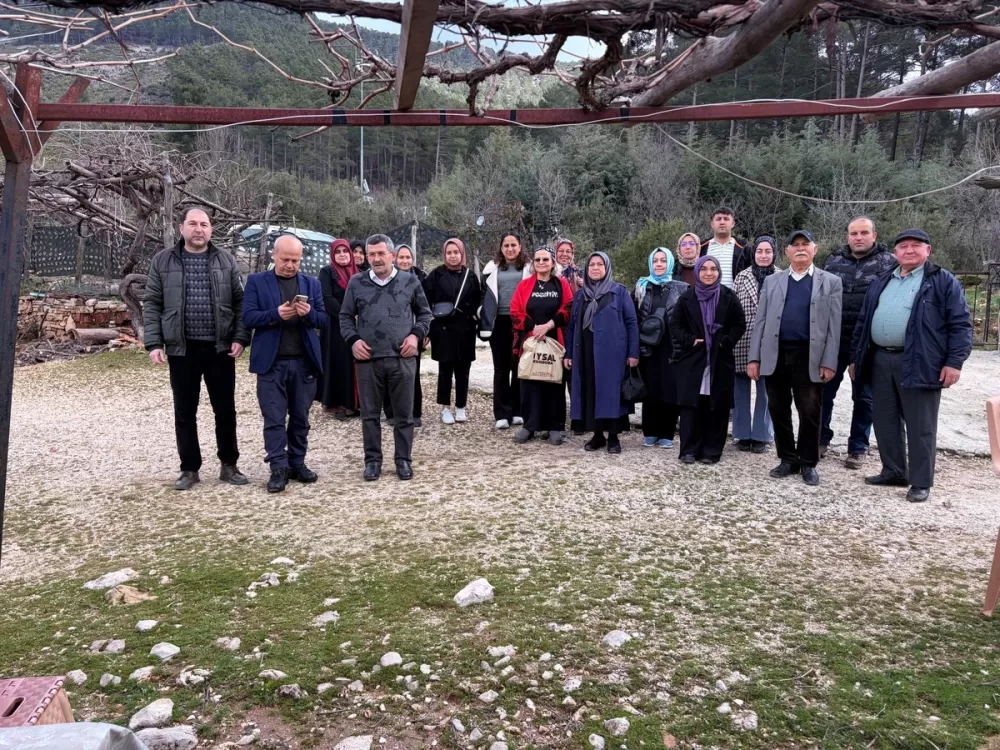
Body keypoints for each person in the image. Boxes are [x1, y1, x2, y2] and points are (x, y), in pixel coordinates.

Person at [851, 229, 973, 503]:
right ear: (895, 253)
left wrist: (954, 362)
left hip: (920, 361)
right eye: (903, 246)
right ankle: (894, 471)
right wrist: (855, 358)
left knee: (921, 424)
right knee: (885, 419)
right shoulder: (882, 281)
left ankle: (920, 481)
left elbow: (961, 325)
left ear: (928, 250)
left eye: (915, 246)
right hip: (880, 359)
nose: (908, 250)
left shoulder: (942, 282)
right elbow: (863, 321)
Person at [144, 207, 251, 491]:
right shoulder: (162, 261)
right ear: (182, 228)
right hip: (182, 349)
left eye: (204, 224)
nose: (198, 229)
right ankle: (189, 469)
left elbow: (241, 303)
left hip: (220, 348)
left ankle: (229, 465)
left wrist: (240, 337)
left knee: (225, 410)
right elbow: (152, 303)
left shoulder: (226, 261)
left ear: (211, 230)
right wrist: (154, 343)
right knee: (184, 411)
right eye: (193, 223)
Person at [748, 231, 842, 486]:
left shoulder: (831, 282)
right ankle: (787, 458)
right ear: (787, 252)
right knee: (778, 408)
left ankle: (808, 462)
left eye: (805, 245)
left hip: (809, 356)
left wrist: (829, 361)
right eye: (795, 245)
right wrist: (754, 358)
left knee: (809, 410)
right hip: (775, 354)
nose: (800, 249)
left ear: (815, 248)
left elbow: (835, 326)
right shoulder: (772, 282)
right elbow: (761, 321)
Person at [340, 234, 432, 481]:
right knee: (370, 415)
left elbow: (425, 314)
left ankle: (403, 459)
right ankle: (372, 461)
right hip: (368, 359)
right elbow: (345, 317)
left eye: (381, 253)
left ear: (392, 255)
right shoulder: (356, 283)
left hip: (402, 358)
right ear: (366, 257)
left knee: (404, 414)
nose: (377, 259)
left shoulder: (410, 281)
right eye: (372, 254)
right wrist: (354, 341)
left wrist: (415, 336)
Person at [242, 235, 327, 493]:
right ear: (273, 256)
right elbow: (247, 317)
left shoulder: (311, 284)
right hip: (272, 363)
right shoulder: (257, 282)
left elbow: (324, 320)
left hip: (304, 363)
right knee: (274, 418)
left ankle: (297, 463)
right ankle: (278, 467)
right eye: (285, 259)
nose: (290, 265)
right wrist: (274, 315)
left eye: (296, 260)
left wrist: (308, 314)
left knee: (301, 418)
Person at [820, 216, 897, 468]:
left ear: (874, 235)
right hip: (834, 339)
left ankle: (858, 446)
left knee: (864, 397)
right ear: (847, 236)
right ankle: (820, 439)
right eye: (854, 233)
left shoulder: (889, 264)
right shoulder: (833, 262)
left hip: (867, 342)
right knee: (823, 393)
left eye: (864, 233)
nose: (859, 237)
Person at [669, 256, 746, 464]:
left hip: (720, 360)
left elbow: (740, 323)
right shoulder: (687, 297)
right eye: (704, 269)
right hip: (693, 359)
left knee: (717, 406)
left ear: (719, 272)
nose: (709, 273)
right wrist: (691, 340)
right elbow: (675, 325)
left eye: (713, 269)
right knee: (691, 406)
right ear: (697, 272)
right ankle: (688, 450)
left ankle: (711, 451)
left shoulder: (729, 296)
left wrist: (725, 341)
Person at [566, 252, 639, 454]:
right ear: (586, 269)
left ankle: (613, 437)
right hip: (586, 352)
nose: (595, 268)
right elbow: (572, 326)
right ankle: (597, 435)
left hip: (613, 354)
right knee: (591, 392)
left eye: (600, 264)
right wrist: (569, 354)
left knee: (611, 394)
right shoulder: (580, 296)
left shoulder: (619, 292)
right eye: (591, 265)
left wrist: (633, 353)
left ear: (607, 268)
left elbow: (632, 323)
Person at [510, 246, 574, 445]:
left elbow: (568, 308)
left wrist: (548, 325)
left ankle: (555, 426)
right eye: (537, 260)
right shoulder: (525, 285)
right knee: (530, 382)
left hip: (554, 340)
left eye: (545, 259)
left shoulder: (561, 284)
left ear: (552, 262)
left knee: (554, 382)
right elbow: (515, 311)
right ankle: (530, 425)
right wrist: (534, 327)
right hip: (531, 340)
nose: (541, 263)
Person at [634, 247, 688, 448]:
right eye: (655, 261)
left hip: (671, 347)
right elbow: (634, 316)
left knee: (670, 390)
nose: (658, 264)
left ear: (670, 264)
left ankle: (667, 433)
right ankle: (650, 431)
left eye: (662, 261)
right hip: (649, 348)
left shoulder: (681, 288)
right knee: (651, 389)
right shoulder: (641, 287)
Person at [479, 233, 533, 430]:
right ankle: (501, 413)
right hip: (499, 322)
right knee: (501, 368)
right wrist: (482, 315)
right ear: (501, 248)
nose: (510, 249)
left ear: (520, 247)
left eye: (513, 245)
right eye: (506, 245)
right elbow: (483, 295)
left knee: (519, 366)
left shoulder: (530, 268)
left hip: (521, 322)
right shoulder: (490, 268)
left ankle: (518, 411)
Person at [423, 238, 479, 425]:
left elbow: (478, 301)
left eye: (456, 252)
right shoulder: (436, 275)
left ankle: (461, 406)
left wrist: (474, 318)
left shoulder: (470, 276)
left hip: (465, 329)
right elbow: (424, 300)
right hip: (443, 329)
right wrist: (429, 328)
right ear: (444, 254)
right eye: (449, 253)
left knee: (463, 370)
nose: (453, 256)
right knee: (445, 370)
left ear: (462, 253)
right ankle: (445, 408)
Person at [731, 236, 776, 454]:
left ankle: (762, 435)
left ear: (774, 253)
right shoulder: (742, 277)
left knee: (766, 392)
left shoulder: (782, 276)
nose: (764, 255)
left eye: (768, 251)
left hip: (770, 342)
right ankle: (741, 434)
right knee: (740, 391)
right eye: (760, 251)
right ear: (753, 253)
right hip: (743, 341)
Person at [318, 239, 360, 420]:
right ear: (333, 255)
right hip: (335, 326)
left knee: (355, 363)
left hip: (358, 325)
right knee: (339, 364)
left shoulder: (359, 273)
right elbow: (326, 298)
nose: (342, 254)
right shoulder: (327, 272)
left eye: (345, 251)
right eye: (338, 252)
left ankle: (355, 403)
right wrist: (347, 315)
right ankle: (339, 405)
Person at [391, 243, 426, 426]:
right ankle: (392, 413)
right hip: (391, 333)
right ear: (394, 258)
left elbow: (425, 309)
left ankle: (415, 412)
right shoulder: (388, 278)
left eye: (408, 257)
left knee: (412, 374)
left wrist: (423, 332)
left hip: (414, 333)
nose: (404, 261)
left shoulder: (421, 278)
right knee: (391, 374)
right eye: (401, 257)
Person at [700, 207, 750, 288]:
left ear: (733, 223)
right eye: (718, 219)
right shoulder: (701, 247)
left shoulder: (744, 249)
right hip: (707, 297)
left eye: (726, 219)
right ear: (712, 224)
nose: (722, 222)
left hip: (735, 298)